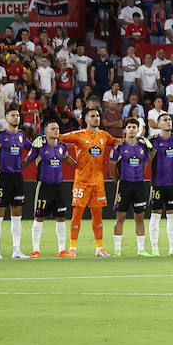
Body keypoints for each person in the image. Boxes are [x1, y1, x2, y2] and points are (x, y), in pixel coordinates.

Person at [59, 107, 118, 257]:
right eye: (92, 116)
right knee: (76, 215)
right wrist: (47, 137)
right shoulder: (78, 135)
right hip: (82, 182)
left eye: (97, 115)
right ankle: (72, 248)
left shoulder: (104, 136)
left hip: (98, 182)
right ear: (85, 119)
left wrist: (136, 139)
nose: (96, 118)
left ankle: (99, 248)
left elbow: (117, 143)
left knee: (98, 216)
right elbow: (59, 138)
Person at [0, 108, 32, 259]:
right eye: (13, 115)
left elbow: (32, 149)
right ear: (6, 118)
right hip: (3, 177)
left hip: (17, 178)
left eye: (18, 115)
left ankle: (16, 251)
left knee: (17, 215)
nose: (16, 118)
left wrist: (25, 162)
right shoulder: (0, 135)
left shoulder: (21, 135)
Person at [29, 121, 71, 258]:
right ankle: (36, 250)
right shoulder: (39, 147)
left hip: (59, 187)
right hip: (44, 187)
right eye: (52, 129)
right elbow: (28, 160)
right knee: (39, 217)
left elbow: (68, 159)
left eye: (57, 128)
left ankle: (62, 250)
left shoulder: (62, 147)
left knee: (61, 218)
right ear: (46, 132)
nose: (56, 131)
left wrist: (81, 167)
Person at [147, 113, 173, 256]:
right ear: (158, 125)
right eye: (165, 120)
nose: (168, 122)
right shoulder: (152, 141)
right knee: (155, 216)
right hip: (158, 183)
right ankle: (155, 249)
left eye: (169, 119)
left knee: (172, 216)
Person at [110, 118, 151, 256]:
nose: (132, 129)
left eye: (134, 127)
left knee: (139, 218)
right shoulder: (119, 147)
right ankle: (117, 249)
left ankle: (141, 249)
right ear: (125, 130)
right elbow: (112, 167)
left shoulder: (143, 147)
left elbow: (145, 165)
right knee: (120, 217)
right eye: (129, 127)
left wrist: (138, 178)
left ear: (138, 129)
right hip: (124, 185)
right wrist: (119, 182)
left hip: (139, 185)